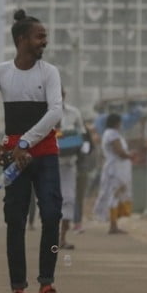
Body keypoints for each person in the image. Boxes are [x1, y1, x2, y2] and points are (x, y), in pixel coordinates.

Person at [0, 10, 65, 293]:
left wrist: (23, 142)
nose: (44, 41)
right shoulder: (1, 72)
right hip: (13, 159)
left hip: (44, 155)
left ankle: (47, 283)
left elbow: (55, 111)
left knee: (52, 215)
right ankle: (17, 288)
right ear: (21, 40)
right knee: (15, 220)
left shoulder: (49, 72)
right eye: (39, 36)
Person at [93, 113, 133, 234]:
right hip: (115, 170)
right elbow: (119, 151)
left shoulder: (108, 133)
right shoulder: (112, 134)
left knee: (115, 195)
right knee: (113, 195)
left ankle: (114, 224)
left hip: (117, 169)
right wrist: (131, 155)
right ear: (117, 122)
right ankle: (113, 225)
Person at [57, 88, 85, 250]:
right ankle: (51, 238)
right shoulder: (43, 113)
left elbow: (82, 134)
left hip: (68, 163)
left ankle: (62, 238)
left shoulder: (74, 113)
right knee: (49, 202)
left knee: (68, 199)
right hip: (48, 163)